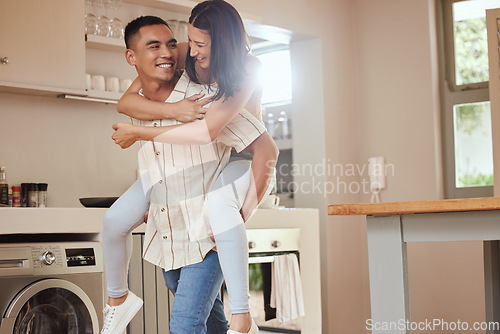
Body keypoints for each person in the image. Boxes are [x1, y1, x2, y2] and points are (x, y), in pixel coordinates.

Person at [104, 7, 277, 334]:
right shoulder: (183, 57)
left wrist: (246, 209)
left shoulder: (244, 72)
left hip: (237, 156)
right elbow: (128, 100)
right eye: (189, 42)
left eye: (199, 44)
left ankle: (243, 317)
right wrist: (173, 110)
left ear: (222, 43)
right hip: (191, 171)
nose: (187, 51)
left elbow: (209, 132)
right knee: (116, 222)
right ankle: (117, 299)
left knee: (220, 210)